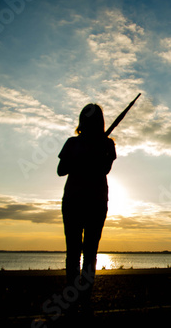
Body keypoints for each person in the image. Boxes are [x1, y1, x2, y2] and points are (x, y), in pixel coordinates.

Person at [57, 103, 116, 315]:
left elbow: (104, 169)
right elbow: (61, 170)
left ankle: (85, 298)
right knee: (74, 250)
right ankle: (72, 298)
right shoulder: (72, 143)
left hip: (96, 202)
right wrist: (80, 157)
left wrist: (96, 152)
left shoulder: (107, 144)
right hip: (74, 200)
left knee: (88, 251)